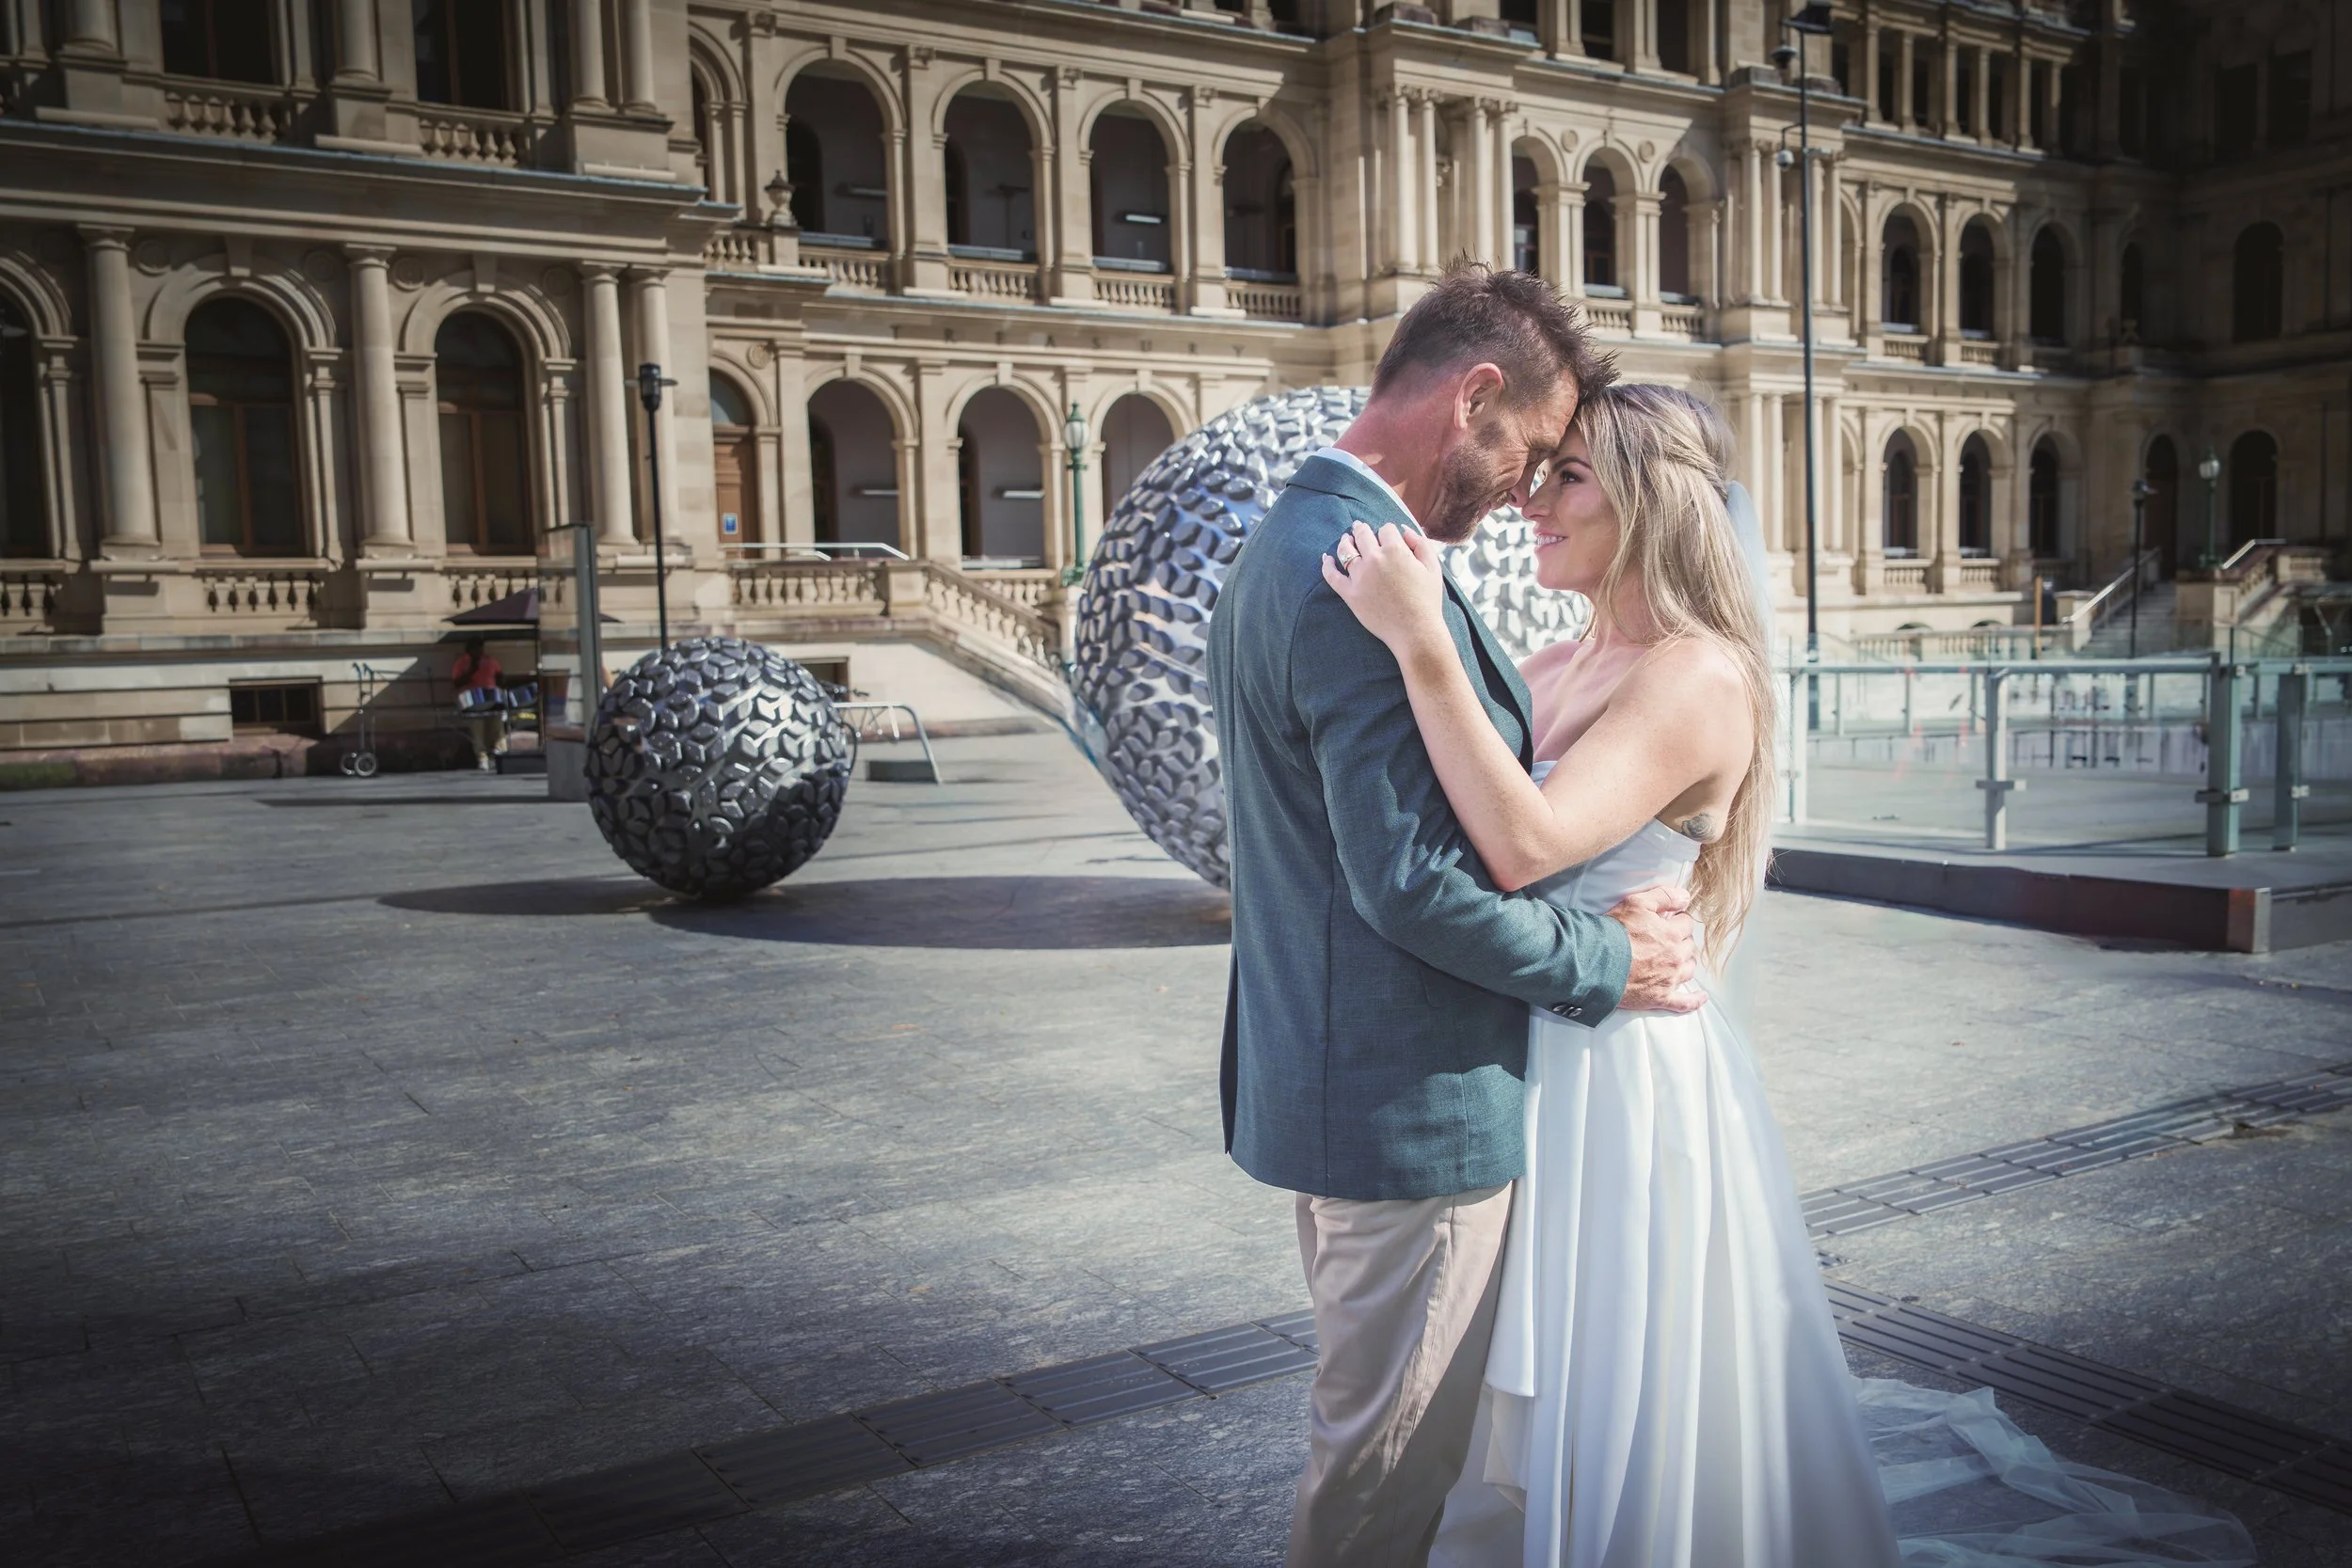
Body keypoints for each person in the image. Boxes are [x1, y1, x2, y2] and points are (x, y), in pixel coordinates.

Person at [1322, 384, 2253, 1567]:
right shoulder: (1550, 652)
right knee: (1516, 1374)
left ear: (1651, 502)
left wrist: (1418, 641)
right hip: (1530, 1033)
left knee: (1617, 1359)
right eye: (1538, 471)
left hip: (1618, 1063)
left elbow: (1524, 843)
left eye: (1566, 477)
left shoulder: (1697, 674)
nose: (1528, 496)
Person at [1204, 262, 1701, 1568]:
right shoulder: (1350, 568)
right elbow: (1413, 881)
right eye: (1530, 449)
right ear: (1475, 397)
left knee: (1396, 1453)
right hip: (1411, 1111)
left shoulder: (1301, 538)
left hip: (1345, 1080)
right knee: (1381, 1481)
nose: (1525, 488)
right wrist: (1611, 957)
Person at [452, 637, 505, 770]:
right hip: (473, 701)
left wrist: (499, 687)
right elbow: (456, 682)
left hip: (491, 699)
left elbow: (500, 677)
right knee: (478, 731)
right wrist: (472, 670)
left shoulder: (489, 660)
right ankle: (482, 758)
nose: (479, 651)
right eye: (476, 648)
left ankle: (498, 756)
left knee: (497, 729)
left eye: (481, 648)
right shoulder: (462, 662)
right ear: (470, 650)